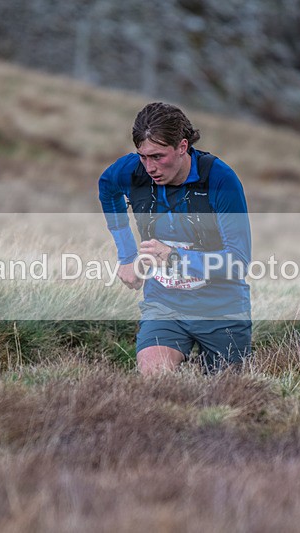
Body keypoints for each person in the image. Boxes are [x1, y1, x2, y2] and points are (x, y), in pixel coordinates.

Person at [98, 102, 252, 375]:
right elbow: (107, 188)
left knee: (227, 394)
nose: (150, 167)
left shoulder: (220, 180)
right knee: (154, 377)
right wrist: (128, 256)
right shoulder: (129, 172)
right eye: (143, 157)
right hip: (165, 305)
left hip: (221, 308)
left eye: (158, 156)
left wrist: (174, 257)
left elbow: (238, 262)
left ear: (182, 147)